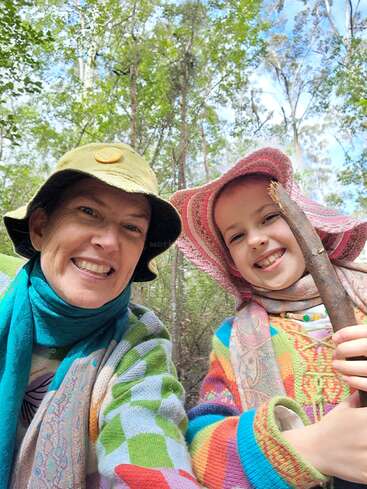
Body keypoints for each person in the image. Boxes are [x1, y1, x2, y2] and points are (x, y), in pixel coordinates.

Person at [0, 143, 200, 489]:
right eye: (88, 211)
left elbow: (146, 430)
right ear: (40, 228)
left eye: (131, 228)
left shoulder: (140, 346)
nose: (109, 241)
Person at [170, 147, 367, 489]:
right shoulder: (232, 339)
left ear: (308, 223)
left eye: (269, 217)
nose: (257, 240)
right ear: (232, 261)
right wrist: (306, 448)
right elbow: (200, 444)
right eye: (236, 236)